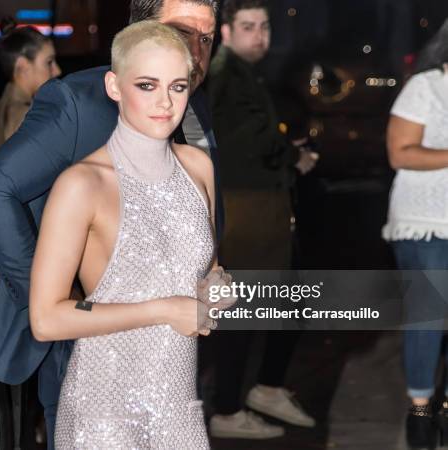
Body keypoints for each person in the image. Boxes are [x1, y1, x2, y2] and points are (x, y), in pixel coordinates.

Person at [0, 1, 223, 449]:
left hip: (172, 367)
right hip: (91, 354)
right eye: (182, 31)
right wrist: (61, 297)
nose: (196, 50)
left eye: (206, 37)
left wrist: (210, 283)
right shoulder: (78, 102)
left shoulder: (193, 107)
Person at [29, 20, 219, 448]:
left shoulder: (198, 168)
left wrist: (216, 292)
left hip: (178, 407)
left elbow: (207, 271)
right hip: (104, 413)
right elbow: (45, 320)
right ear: (114, 86)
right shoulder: (82, 184)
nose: (165, 103)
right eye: (147, 85)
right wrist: (162, 310)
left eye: (178, 86)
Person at [207, 0, 316, 440]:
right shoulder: (223, 74)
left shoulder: (245, 73)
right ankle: (229, 409)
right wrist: (294, 155)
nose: (260, 35)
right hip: (243, 209)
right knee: (245, 309)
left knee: (285, 299)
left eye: (265, 26)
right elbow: (247, 141)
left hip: (260, 206)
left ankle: (264, 389)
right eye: (249, 26)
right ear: (228, 32)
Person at [382, 18, 448, 450]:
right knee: (429, 319)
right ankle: (421, 415)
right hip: (425, 224)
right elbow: (399, 153)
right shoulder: (427, 86)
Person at [0, 18, 62, 161]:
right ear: (23, 66)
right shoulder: (24, 116)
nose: (57, 71)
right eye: (49, 62)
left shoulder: (7, 104)